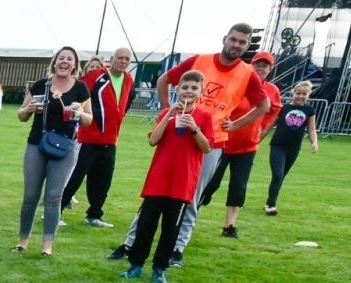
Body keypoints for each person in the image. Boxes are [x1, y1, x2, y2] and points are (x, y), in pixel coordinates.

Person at [106, 23, 269, 267]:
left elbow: (264, 106)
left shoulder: (248, 73)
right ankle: (131, 243)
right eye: (233, 40)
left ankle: (177, 249)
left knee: (192, 197)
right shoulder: (199, 60)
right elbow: (164, 80)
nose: (236, 45)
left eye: (242, 42)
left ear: (247, 46)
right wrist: (165, 112)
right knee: (154, 193)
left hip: (209, 143)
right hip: (176, 137)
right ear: (225, 38)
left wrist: (235, 125)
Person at [122, 70, 211, 283]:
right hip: (158, 181)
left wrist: (194, 128)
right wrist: (169, 114)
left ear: (200, 91)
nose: (188, 92)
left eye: (193, 88)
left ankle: (159, 268)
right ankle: (136, 265)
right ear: (177, 90)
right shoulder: (166, 114)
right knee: (146, 225)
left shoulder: (204, 117)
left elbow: (207, 148)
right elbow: (153, 140)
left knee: (170, 229)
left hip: (182, 183)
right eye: (184, 87)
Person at [12, 45, 91, 255]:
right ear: (55, 62)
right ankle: (23, 241)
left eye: (69, 59)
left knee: (54, 197)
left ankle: (47, 245)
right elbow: (21, 115)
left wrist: (79, 113)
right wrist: (27, 109)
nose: (65, 61)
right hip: (37, 144)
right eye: (61, 58)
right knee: (30, 196)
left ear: (75, 65)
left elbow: (88, 121)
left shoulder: (80, 88)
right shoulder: (41, 85)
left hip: (65, 147)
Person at [198, 51, 281, 238]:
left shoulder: (272, 91)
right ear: (251, 65)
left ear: (270, 69)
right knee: (210, 182)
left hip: (248, 145)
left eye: (265, 65)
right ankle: (193, 211)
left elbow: (273, 111)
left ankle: (229, 226)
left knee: (238, 185)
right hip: (224, 142)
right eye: (258, 64)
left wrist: (263, 130)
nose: (261, 68)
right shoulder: (239, 83)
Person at [61, 46, 133, 228]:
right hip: (89, 139)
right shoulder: (96, 76)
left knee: (102, 180)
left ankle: (94, 215)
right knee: (75, 176)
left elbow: (126, 103)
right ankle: (56, 210)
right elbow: (79, 93)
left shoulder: (128, 79)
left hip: (110, 141)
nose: (123, 62)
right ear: (112, 58)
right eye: (120, 58)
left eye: (127, 59)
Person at [263, 80, 319, 215]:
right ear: (293, 93)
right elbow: (270, 125)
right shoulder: (284, 108)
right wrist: (258, 138)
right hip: (278, 146)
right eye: (298, 93)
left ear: (308, 95)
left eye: (304, 94)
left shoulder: (309, 110)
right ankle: (271, 205)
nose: (301, 96)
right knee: (277, 174)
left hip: (293, 148)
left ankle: (269, 201)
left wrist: (314, 142)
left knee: (281, 177)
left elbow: (311, 129)